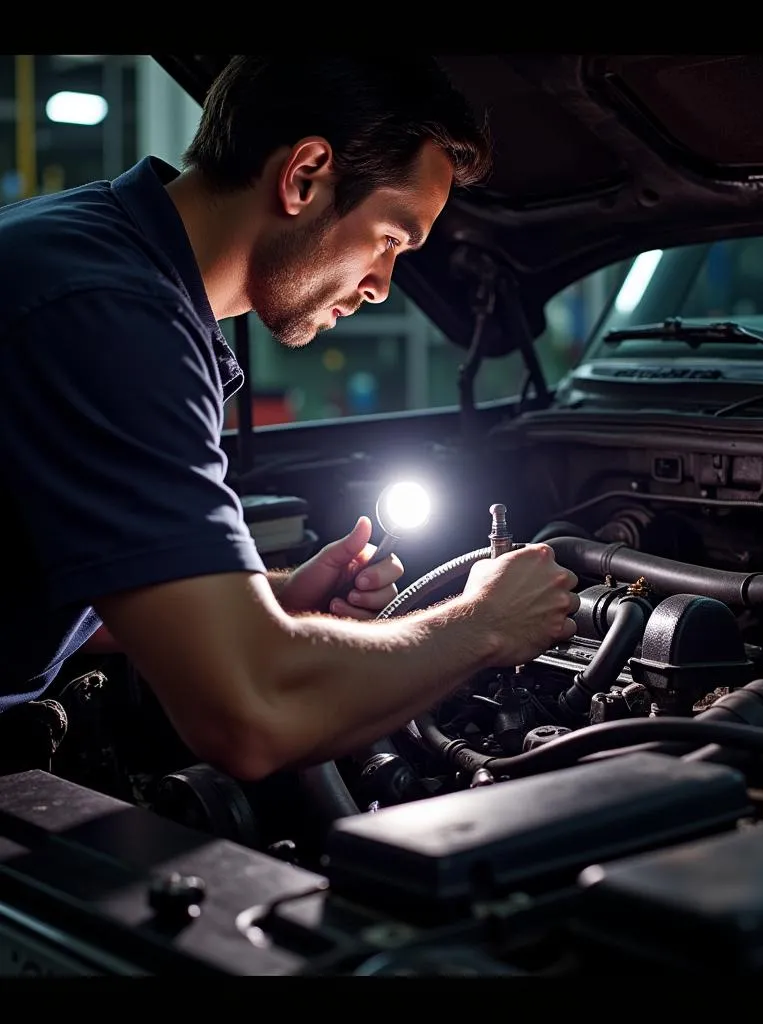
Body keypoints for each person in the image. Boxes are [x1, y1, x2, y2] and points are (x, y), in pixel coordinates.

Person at [0, 56, 580, 780]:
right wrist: (483, 626)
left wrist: (269, 599)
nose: (381, 287)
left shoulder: (88, 250)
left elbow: (57, 579)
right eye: (391, 240)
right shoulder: (114, 319)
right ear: (305, 175)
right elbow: (249, 717)